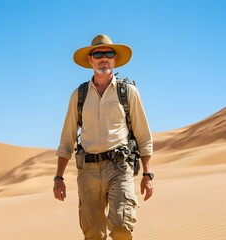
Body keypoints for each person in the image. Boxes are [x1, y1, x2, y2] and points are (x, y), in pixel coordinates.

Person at [53, 34, 154, 240]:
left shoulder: (128, 92)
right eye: (98, 54)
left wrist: (147, 174)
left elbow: (144, 135)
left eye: (108, 53)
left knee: (121, 226)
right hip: (88, 170)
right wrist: (59, 177)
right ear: (90, 59)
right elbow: (67, 139)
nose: (103, 58)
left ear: (115, 59)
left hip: (119, 167)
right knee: (93, 235)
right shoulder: (79, 95)